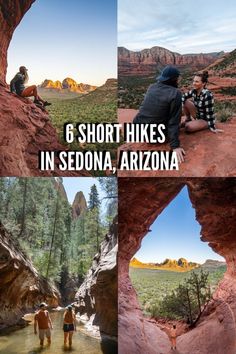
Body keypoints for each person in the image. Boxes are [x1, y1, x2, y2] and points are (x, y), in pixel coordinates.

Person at [133, 65, 185, 163]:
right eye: (178, 78)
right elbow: (174, 121)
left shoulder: (151, 87)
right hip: (156, 135)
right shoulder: (176, 93)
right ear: (174, 79)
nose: (179, 80)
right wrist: (175, 146)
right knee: (177, 120)